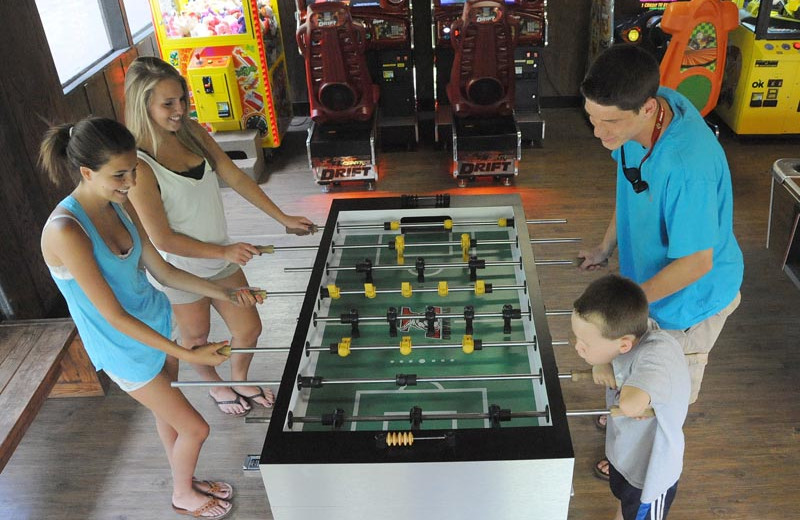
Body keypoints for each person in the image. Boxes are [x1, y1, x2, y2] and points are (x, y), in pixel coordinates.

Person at [40, 117, 264, 518]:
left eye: (134, 170)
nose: (130, 183)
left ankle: (186, 478)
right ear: (87, 172)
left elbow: (163, 271)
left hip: (156, 322)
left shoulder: (118, 205)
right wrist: (193, 354)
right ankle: (182, 494)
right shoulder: (66, 231)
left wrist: (225, 291)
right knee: (197, 428)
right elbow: (113, 317)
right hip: (123, 348)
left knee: (171, 418)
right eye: (119, 175)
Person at [577, 44, 744, 478]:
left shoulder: (688, 165)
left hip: (691, 302)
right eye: (592, 118)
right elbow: (631, 184)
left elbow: (695, 263)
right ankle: (625, 409)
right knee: (630, 354)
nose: (599, 133)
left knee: (659, 391)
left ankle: (633, 462)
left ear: (648, 109)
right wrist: (605, 248)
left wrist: (626, 302)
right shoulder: (644, 110)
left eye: (609, 122)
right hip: (648, 287)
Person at [124, 56, 315, 417]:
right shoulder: (140, 164)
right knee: (196, 340)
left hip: (220, 257)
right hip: (179, 269)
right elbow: (162, 239)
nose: (179, 110)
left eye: (182, 99)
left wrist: (282, 217)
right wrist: (224, 251)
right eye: (168, 104)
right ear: (143, 105)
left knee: (249, 327)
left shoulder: (192, 131)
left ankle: (240, 377)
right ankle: (214, 385)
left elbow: (234, 174)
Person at [573, 274, 690, 520]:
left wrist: (606, 362)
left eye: (585, 344)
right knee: (625, 504)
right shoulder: (627, 333)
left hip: (650, 476)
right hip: (625, 454)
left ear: (624, 344)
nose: (577, 347)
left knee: (638, 511)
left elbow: (630, 403)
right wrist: (604, 361)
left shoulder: (658, 356)